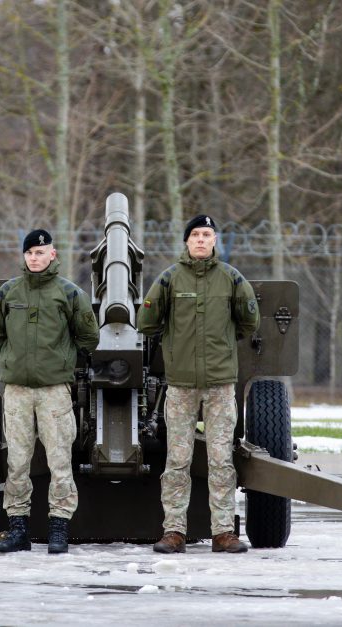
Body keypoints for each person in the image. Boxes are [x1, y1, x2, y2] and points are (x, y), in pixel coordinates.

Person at [137, 215, 259, 554]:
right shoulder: (169, 280)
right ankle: (174, 531)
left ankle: (223, 532)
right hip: (180, 386)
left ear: (215, 240)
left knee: (221, 460)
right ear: (187, 241)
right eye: (195, 235)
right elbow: (147, 321)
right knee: (177, 461)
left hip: (220, 385)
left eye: (207, 234)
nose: (201, 240)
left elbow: (249, 321)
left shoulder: (232, 279)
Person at [0, 228, 100, 554]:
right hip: (18, 391)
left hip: (54, 391)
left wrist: (61, 358)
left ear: (53, 254)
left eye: (41, 252)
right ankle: (18, 528)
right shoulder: (8, 293)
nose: (35, 258)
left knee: (59, 461)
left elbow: (88, 337)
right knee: (17, 462)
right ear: (24, 256)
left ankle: (58, 528)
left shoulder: (69, 294)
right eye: (30, 253)